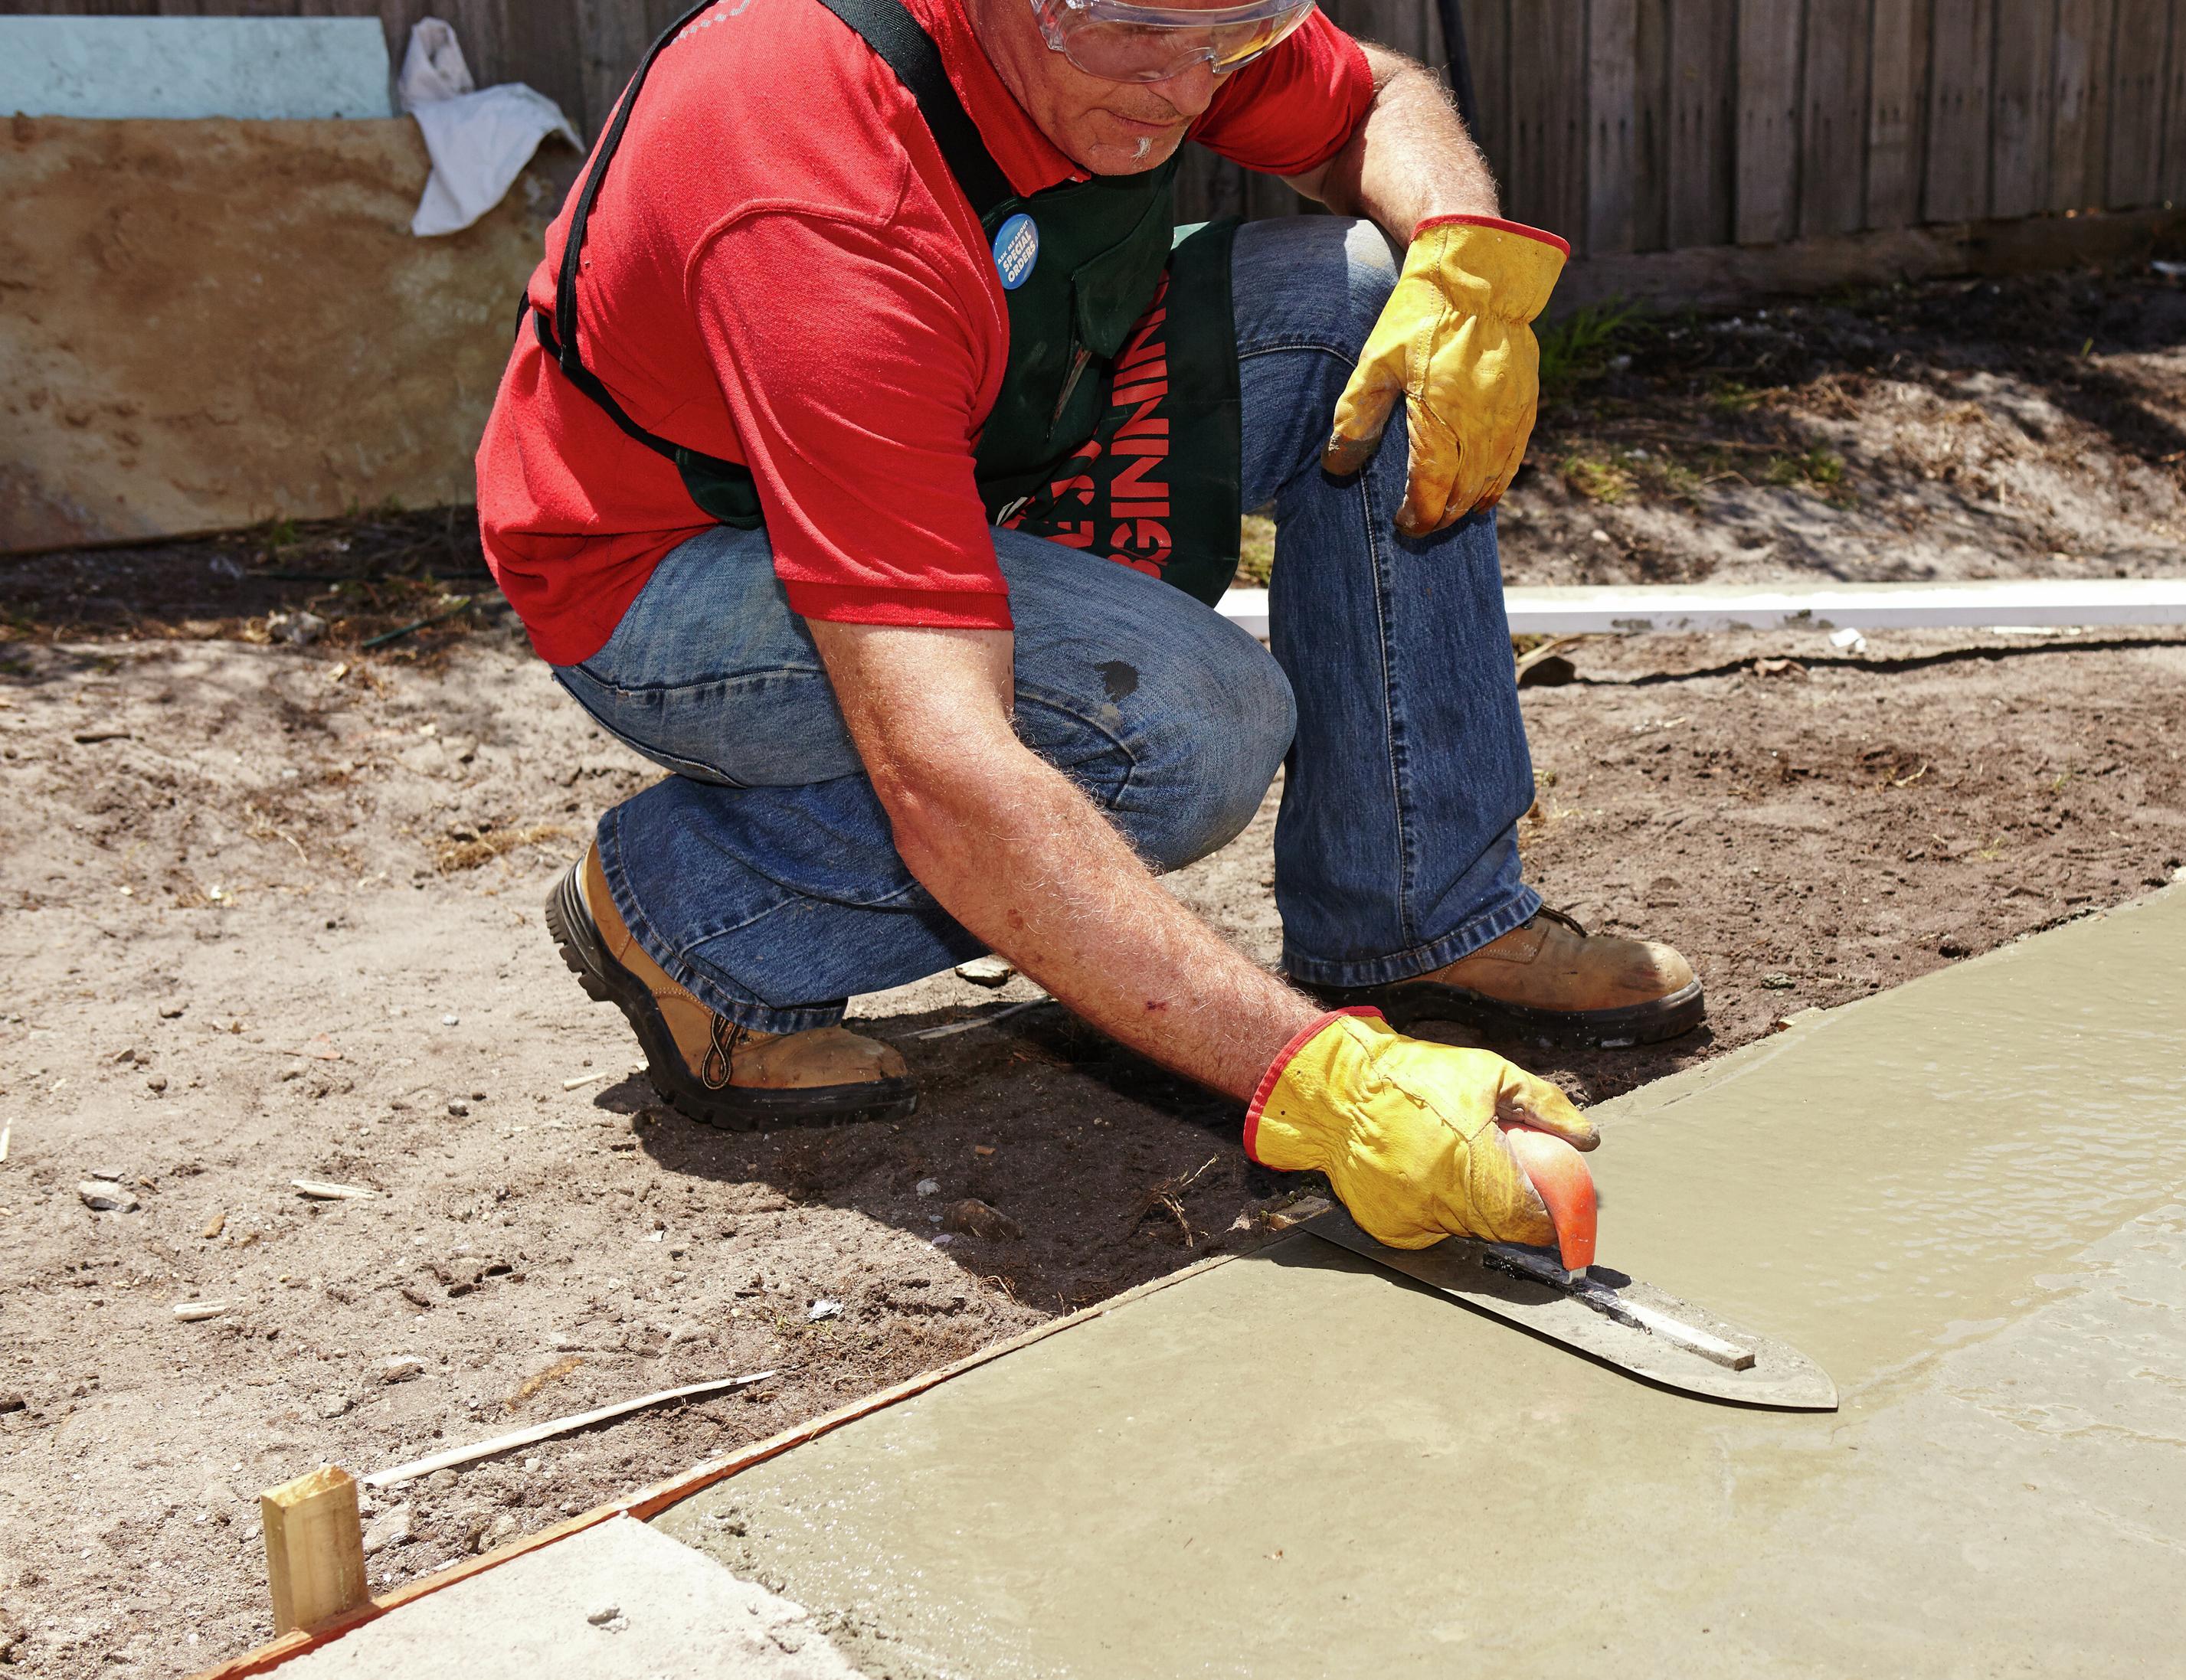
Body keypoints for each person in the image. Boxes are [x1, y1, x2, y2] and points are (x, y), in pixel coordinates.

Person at [473, 0, 1706, 1253]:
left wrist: (1466, 257)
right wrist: (1320, 1082)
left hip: (987, 404)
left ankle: (1423, 916)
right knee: (1185, 727)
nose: (1184, 93)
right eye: (1137, 38)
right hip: (666, 560)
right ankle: (689, 912)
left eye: (1226, 42)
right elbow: (946, 770)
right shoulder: (823, 191)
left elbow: (1379, 95)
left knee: (1371, 305)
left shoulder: (1161, 27)